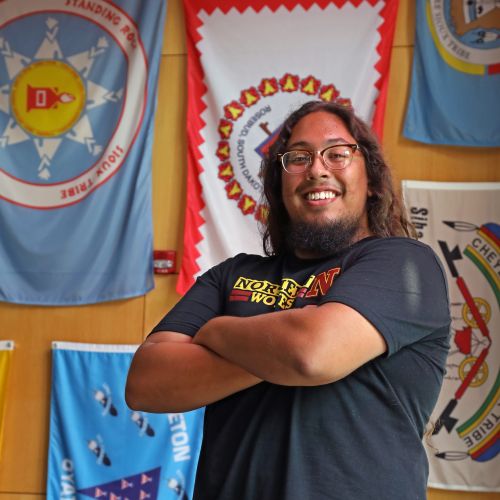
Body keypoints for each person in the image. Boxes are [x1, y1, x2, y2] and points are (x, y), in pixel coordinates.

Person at [126, 101, 451, 500]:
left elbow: (311, 353)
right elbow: (146, 382)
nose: (317, 169)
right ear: (279, 187)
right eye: (298, 157)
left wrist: (218, 331)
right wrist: (281, 345)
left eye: (337, 153)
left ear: (372, 181)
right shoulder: (232, 274)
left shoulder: (403, 263)